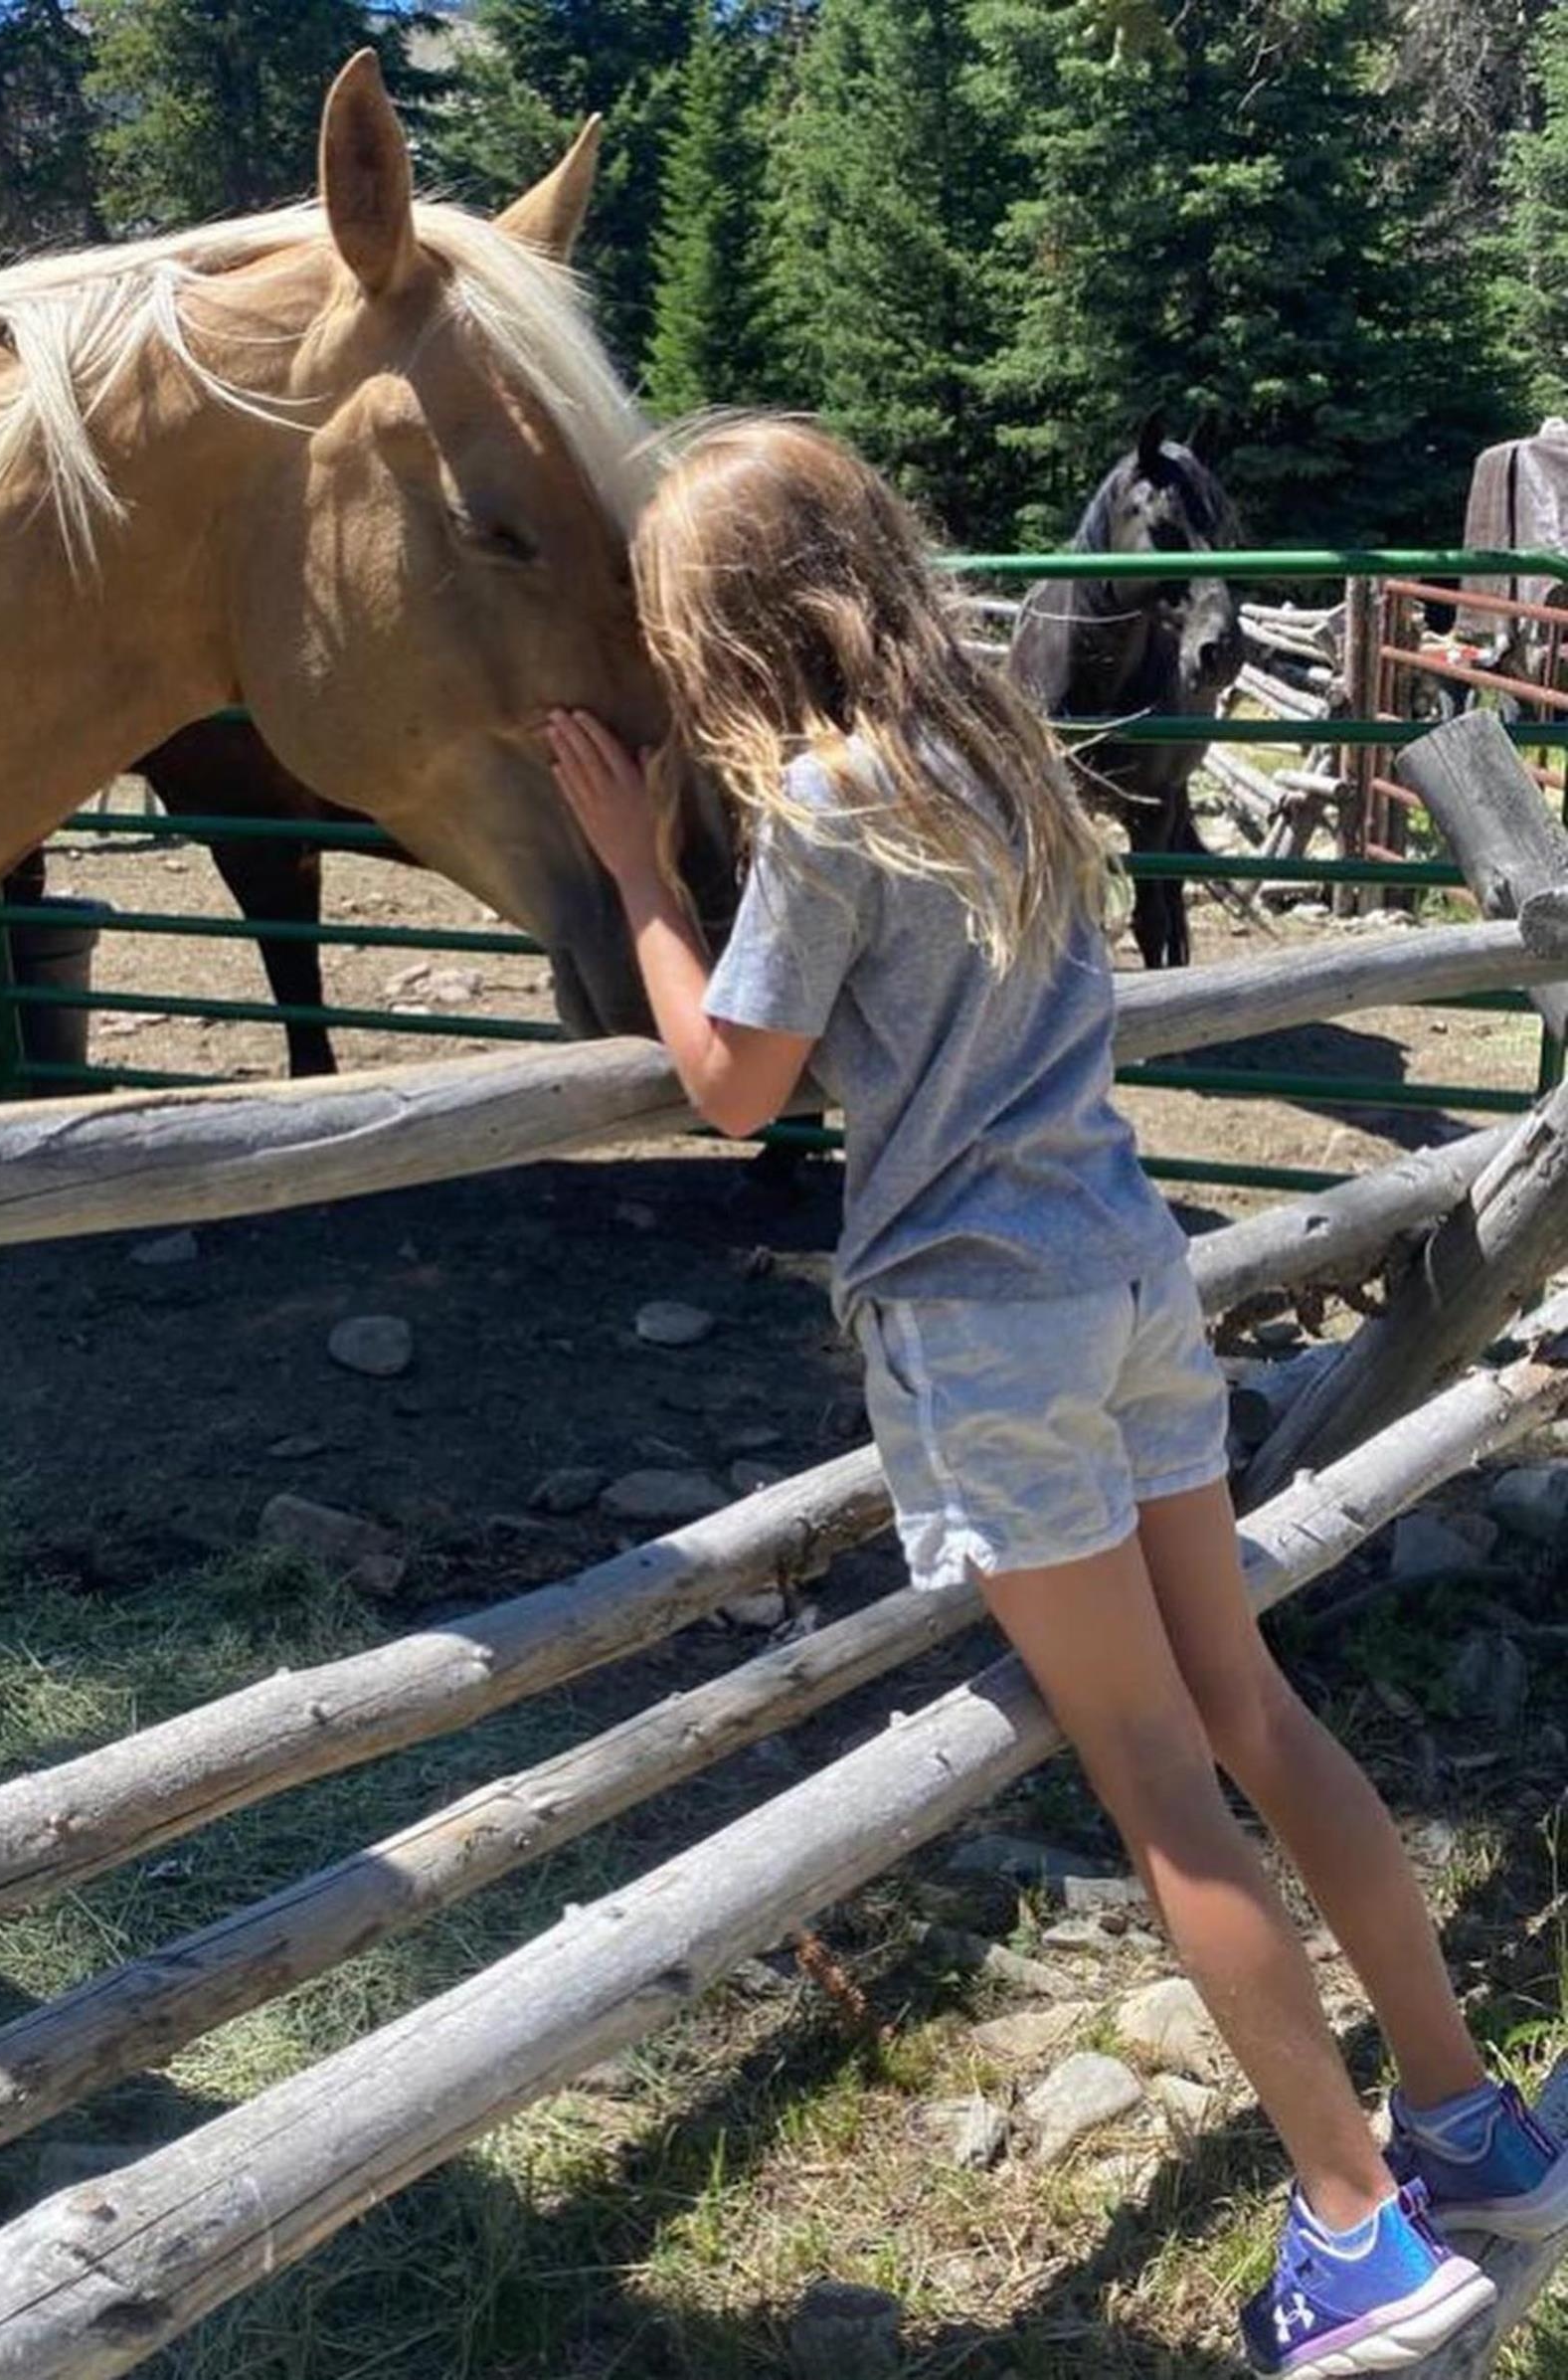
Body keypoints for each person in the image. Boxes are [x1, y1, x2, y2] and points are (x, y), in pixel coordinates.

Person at [544, 415, 1566, 2377]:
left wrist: (635, 874)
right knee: (1251, 1707)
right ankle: (1467, 2124)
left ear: (731, 634)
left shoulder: (831, 804)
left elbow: (735, 1083)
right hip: (1126, 1274)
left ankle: (1356, 2234)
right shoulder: (1009, 754)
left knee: (1157, 1783)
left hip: (982, 1327)